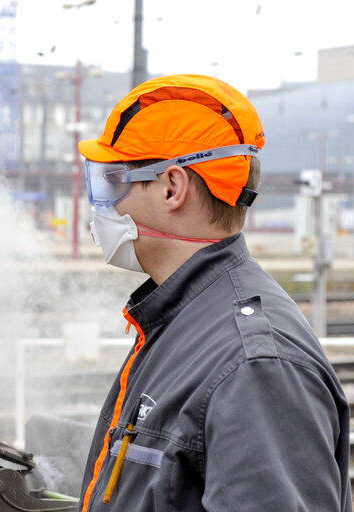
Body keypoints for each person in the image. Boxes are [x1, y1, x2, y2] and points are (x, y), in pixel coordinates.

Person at [76, 74, 352, 511]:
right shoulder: (184, 321)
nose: (104, 204)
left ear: (171, 187)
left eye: (114, 180)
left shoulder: (257, 368)